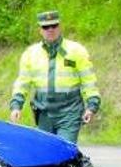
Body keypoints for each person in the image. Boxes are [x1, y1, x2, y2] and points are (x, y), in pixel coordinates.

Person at [9, 11, 101, 143]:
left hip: (69, 112)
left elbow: (89, 81)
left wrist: (92, 106)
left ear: (60, 26)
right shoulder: (30, 54)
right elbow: (22, 84)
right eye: (46, 27)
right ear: (40, 30)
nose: (50, 30)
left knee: (64, 150)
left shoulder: (76, 51)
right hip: (44, 113)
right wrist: (16, 106)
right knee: (46, 154)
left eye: (54, 25)